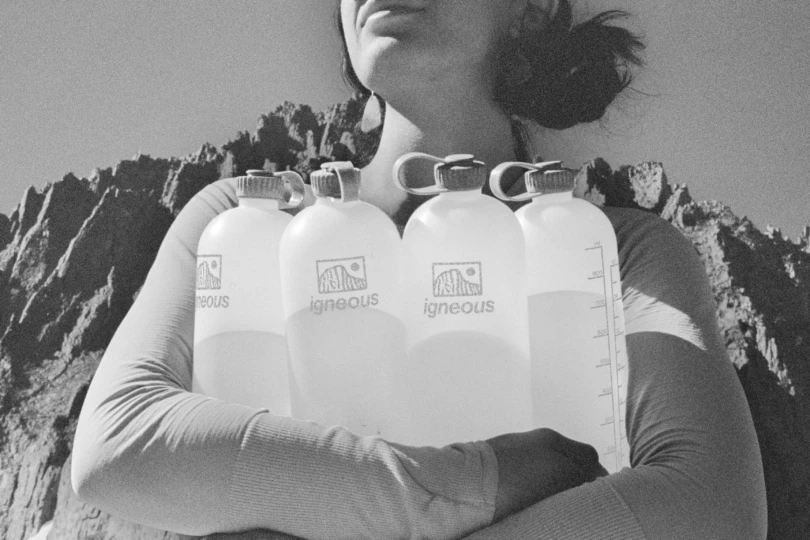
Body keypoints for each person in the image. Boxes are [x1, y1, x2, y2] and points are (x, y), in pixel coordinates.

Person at [71, 0, 768, 538]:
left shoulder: (620, 251)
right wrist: (476, 483)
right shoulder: (241, 220)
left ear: (531, 7)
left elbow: (711, 505)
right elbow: (120, 445)